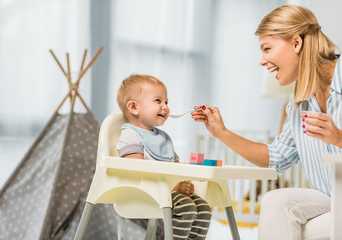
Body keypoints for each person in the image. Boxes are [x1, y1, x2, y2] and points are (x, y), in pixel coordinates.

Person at [191, 4, 341, 240]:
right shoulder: (298, 106)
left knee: (306, 232)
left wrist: (338, 138)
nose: (262, 61)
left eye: (267, 49)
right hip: (331, 198)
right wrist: (222, 133)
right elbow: (276, 158)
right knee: (274, 201)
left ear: (296, 43)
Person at [116, 73, 212, 240]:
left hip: (166, 191)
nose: (165, 107)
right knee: (186, 207)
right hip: (143, 192)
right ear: (134, 107)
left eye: (166, 102)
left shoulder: (163, 138)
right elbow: (137, 172)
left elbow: (174, 165)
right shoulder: (131, 135)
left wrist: (185, 179)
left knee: (203, 208)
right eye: (158, 101)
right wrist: (173, 187)